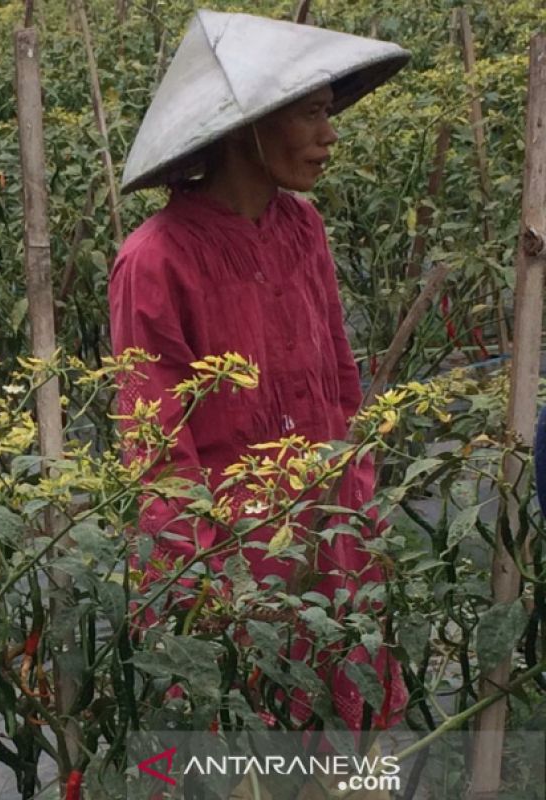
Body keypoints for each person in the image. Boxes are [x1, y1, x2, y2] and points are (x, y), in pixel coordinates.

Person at [109, 8, 410, 773]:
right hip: (233, 567)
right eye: (311, 112)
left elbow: (340, 383)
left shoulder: (301, 228)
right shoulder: (155, 260)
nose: (329, 133)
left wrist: (357, 516)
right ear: (248, 125)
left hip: (329, 538)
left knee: (348, 755)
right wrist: (206, 587)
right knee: (239, 747)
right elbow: (156, 446)